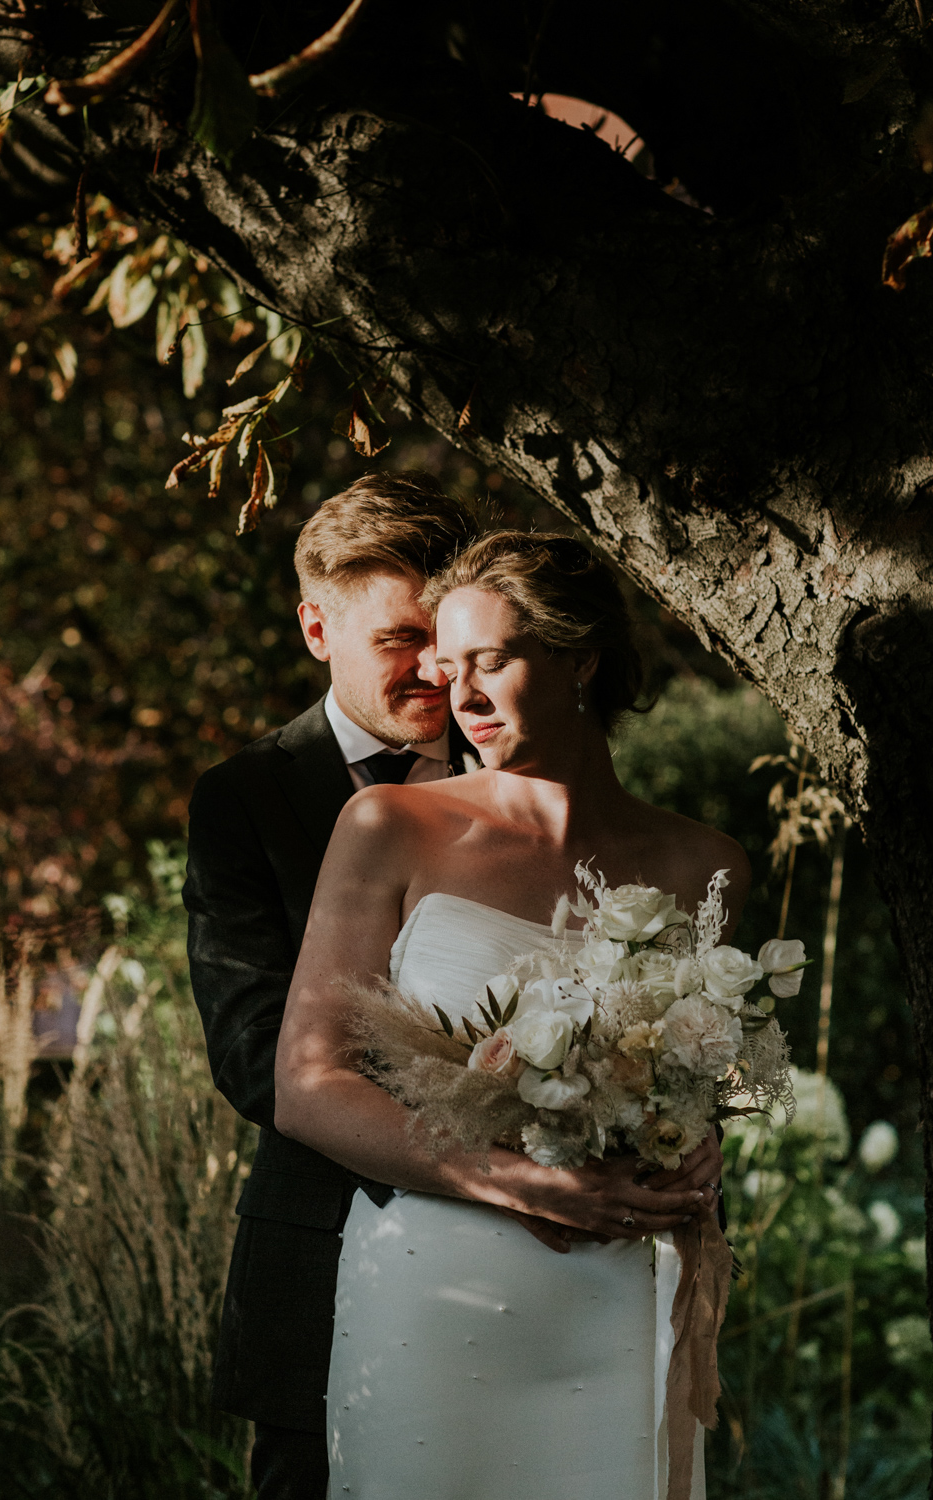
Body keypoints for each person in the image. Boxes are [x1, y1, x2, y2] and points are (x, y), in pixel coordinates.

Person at [275, 530, 748, 1500]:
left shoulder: (704, 866)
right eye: (449, 670)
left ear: (578, 656)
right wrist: (519, 1182)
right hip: (434, 1293)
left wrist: (700, 1150)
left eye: (491, 661)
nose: (464, 698)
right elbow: (306, 1087)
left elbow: (690, 1078)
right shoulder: (389, 828)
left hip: (622, 1296)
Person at [183, 472, 486, 1500]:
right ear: (318, 628)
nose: (436, 668)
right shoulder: (245, 802)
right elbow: (254, 1057)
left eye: (448, 633)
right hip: (323, 1253)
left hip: (525, 1268)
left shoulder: (527, 784)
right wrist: (487, 1137)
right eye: (400, 638)